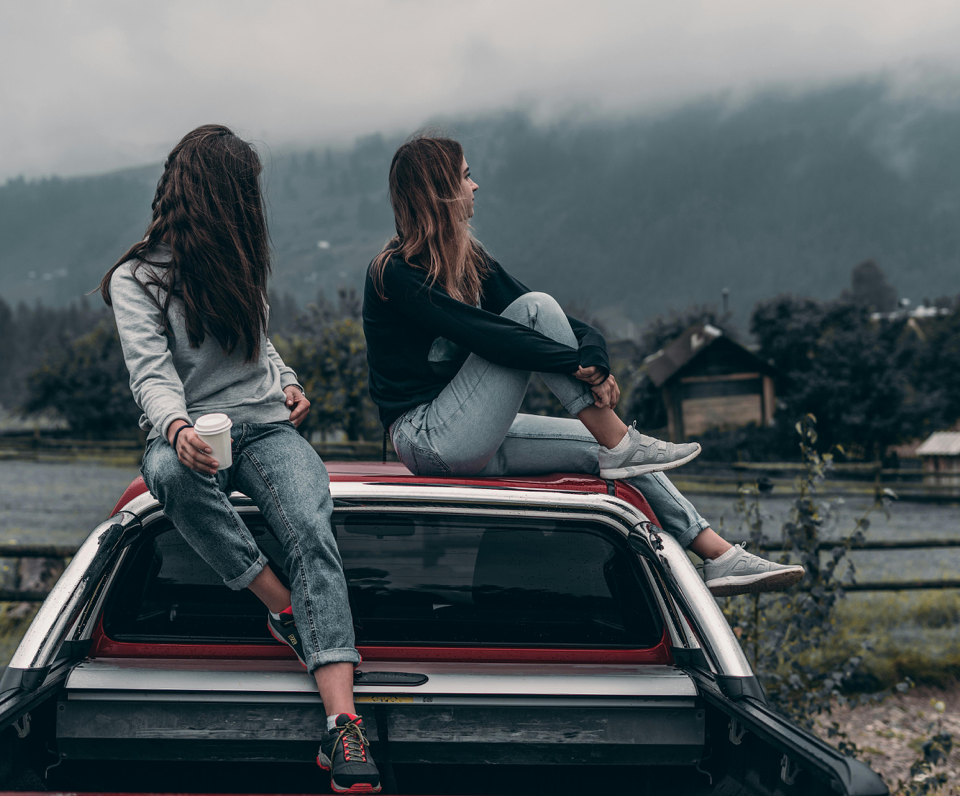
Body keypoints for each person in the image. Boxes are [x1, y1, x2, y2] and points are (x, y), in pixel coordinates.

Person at [362, 135, 803, 597]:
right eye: (466, 176)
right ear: (441, 190)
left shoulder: (467, 259)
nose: (476, 186)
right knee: (535, 310)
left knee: (607, 455)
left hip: (473, 434)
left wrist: (594, 356)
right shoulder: (395, 273)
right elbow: (490, 335)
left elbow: (563, 325)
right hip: (427, 437)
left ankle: (719, 555)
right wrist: (575, 365)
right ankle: (621, 441)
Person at [100, 125, 380, 794]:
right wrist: (175, 428)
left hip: (268, 427)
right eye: (243, 191)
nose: (252, 204)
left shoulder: (238, 261)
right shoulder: (137, 278)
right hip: (194, 434)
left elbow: (261, 345)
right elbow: (151, 372)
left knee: (311, 526)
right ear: (214, 195)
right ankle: (280, 605)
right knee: (165, 475)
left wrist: (288, 381)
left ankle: (342, 724)